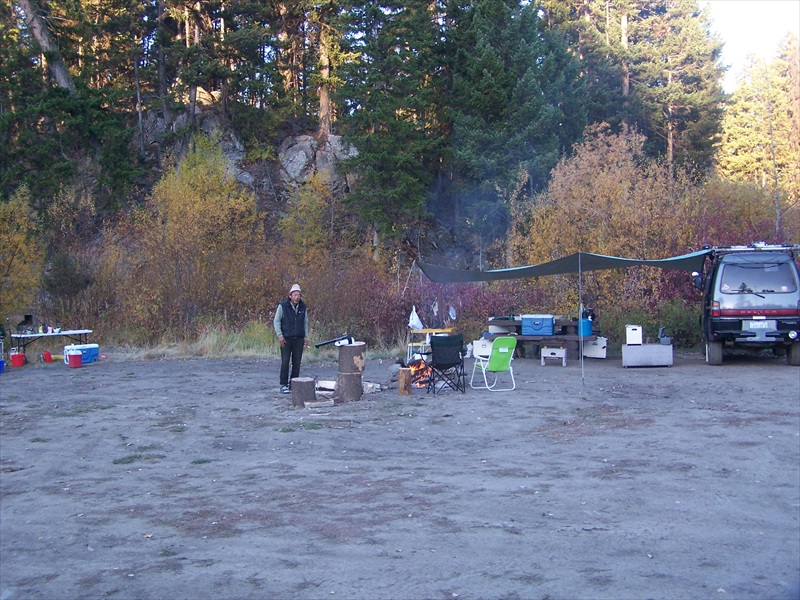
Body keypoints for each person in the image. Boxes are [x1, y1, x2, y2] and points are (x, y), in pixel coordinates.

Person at [273, 283, 309, 394]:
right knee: (285, 361)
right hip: (286, 338)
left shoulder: (303, 307)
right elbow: (277, 321)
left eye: (298, 295)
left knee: (297, 362)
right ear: (290, 295)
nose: (297, 297)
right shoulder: (283, 306)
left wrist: (305, 336)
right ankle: (283, 384)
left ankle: (294, 383)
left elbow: (305, 322)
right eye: (295, 295)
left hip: (299, 338)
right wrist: (280, 335)